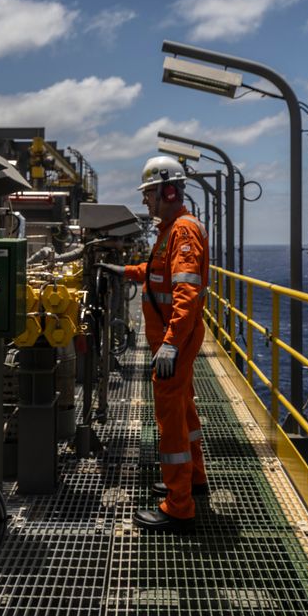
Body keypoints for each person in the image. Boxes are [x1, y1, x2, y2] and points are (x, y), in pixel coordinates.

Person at [100, 155, 209, 532]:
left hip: (173, 342)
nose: (145, 201)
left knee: (170, 424)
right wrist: (124, 271)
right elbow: (157, 272)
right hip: (175, 339)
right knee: (184, 410)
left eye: (149, 193)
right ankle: (194, 478)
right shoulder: (171, 230)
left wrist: (170, 345)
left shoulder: (183, 232)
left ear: (168, 190)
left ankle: (178, 506)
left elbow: (186, 291)